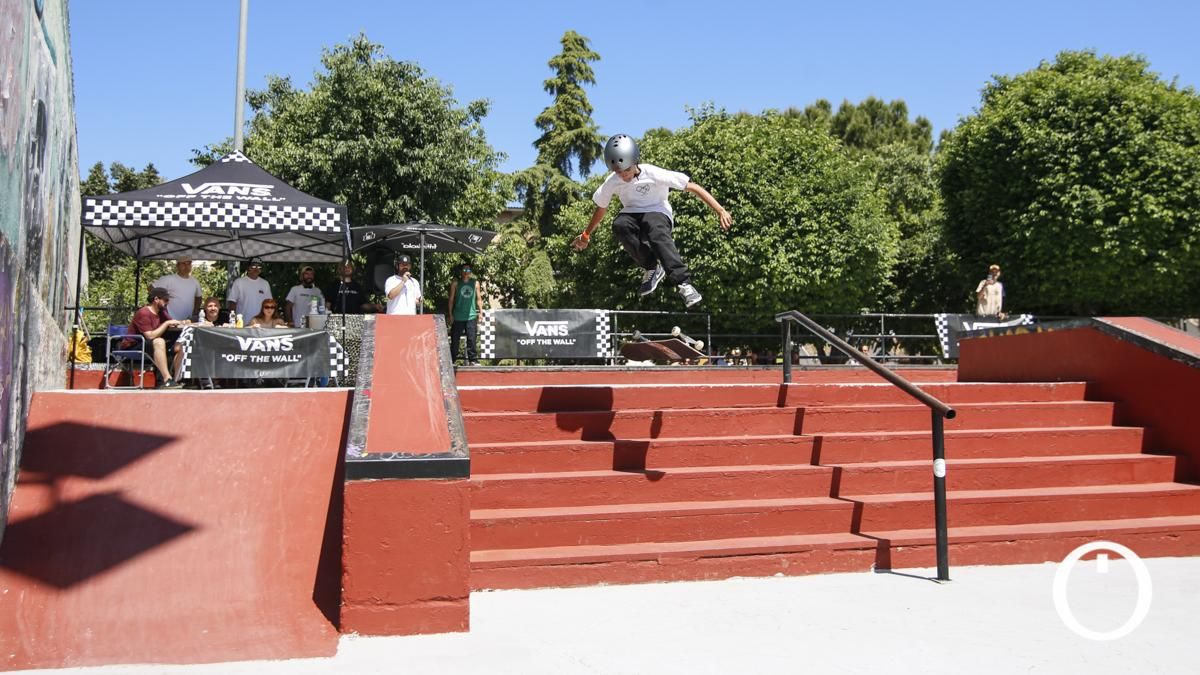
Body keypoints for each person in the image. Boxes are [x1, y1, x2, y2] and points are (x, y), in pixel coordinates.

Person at [572, 134, 733, 308]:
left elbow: (692, 187)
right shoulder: (612, 182)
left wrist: (720, 210)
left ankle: (684, 284)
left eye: (626, 170)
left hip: (658, 211)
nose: (623, 176)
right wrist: (586, 234)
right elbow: (601, 208)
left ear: (635, 161)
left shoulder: (653, 173)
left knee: (654, 228)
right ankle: (651, 267)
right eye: (618, 172)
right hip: (632, 214)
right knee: (619, 225)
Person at [122, 287, 184, 389]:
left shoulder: (162, 312)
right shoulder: (143, 313)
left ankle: (176, 379)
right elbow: (150, 335)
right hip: (134, 345)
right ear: (156, 299)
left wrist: (186, 322)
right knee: (159, 341)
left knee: (179, 345)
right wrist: (167, 323)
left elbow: (173, 323)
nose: (167, 303)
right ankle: (167, 379)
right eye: (165, 300)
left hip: (151, 344)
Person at [447, 263, 485, 365]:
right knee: (455, 340)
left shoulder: (475, 283)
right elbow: (451, 299)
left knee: (472, 339)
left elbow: (479, 299)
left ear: (471, 272)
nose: (466, 272)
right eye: (464, 270)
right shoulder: (456, 283)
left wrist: (481, 313)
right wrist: (450, 314)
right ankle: (452, 360)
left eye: (468, 270)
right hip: (458, 316)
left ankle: (473, 360)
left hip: (471, 316)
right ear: (461, 271)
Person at [152, 255, 203, 323]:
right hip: (170, 321)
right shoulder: (168, 279)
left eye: (189, 264)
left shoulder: (195, 282)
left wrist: (195, 313)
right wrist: (162, 306)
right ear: (177, 266)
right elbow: (151, 289)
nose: (186, 266)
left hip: (187, 322)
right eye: (183, 263)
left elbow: (199, 298)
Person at [228, 257, 272, 322]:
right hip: (242, 324)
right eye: (253, 266)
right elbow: (232, 302)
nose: (256, 269)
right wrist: (233, 320)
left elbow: (269, 303)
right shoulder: (239, 282)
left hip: (261, 324)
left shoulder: (265, 283)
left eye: (259, 267)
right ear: (248, 267)